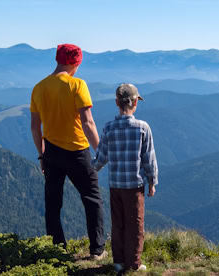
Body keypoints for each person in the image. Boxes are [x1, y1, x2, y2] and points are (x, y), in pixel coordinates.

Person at [30, 43, 106, 260]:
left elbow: (35, 127)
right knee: (92, 199)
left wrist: (42, 154)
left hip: (52, 151)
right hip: (77, 151)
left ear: (57, 59)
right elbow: (88, 122)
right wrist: (100, 150)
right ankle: (97, 250)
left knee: (53, 203)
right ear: (75, 62)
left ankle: (57, 250)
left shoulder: (39, 87)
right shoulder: (77, 85)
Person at [93, 83, 158, 272]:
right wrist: (152, 182)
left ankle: (118, 261)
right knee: (135, 225)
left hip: (115, 185)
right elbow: (149, 159)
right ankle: (134, 264)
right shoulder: (142, 128)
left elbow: (101, 158)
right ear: (136, 102)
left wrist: (89, 169)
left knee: (118, 223)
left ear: (116, 102)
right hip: (134, 185)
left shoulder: (108, 128)